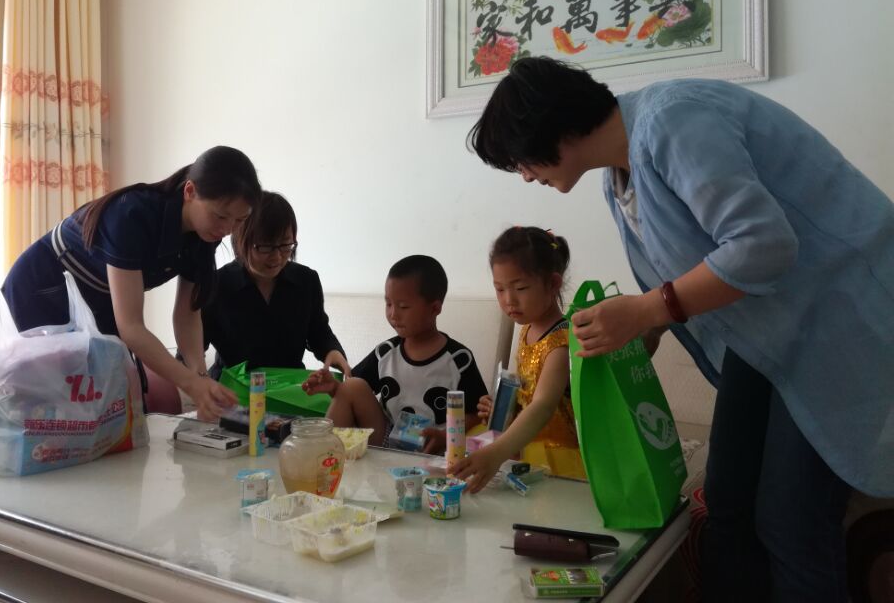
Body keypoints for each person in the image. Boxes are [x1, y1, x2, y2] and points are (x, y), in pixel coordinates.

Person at [467, 56, 894, 603]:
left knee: (791, 521)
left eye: (522, 160)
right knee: (726, 505)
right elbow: (686, 279)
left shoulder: (673, 120)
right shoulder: (618, 179)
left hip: (831, 323)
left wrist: (646, 312)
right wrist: (640, 333)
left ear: (554, 129)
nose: (526, 175)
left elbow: (763, 245)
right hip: (767, 338)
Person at [1, 146, 260, 422]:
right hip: (43, 290)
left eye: (240, 220)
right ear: (190, 191)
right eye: (221, 216)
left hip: (97, 298)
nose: (227, 229)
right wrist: (190, 384)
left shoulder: (204, 233)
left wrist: (200, 376)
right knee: (46, 408)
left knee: (104, 407)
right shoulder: (132, 215)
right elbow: (131, 326)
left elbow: (187, 314)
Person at [302, 255, 488, 454]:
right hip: (386, 442)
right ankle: (324, 459)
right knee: (352, 386)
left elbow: (478, 415)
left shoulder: (458, 359)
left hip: (435, 450)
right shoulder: (386, 353)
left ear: (435, 308)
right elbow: (352, 395)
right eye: (388, 304)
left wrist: (446, 437)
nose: (393, 314)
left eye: (403, 306)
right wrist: (334, 388)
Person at [452, 226, 586, 493]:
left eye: (520, 288)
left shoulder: (561, 342)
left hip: (554, 454)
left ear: (553, 284)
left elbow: (543, 405)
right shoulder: (527, 328)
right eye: (499, 289)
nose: (508, 300)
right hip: (523, 440)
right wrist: (505, 408)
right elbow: (527, 395)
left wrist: (497, 452)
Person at [202, 191, 349, 379]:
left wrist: (332, 351)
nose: (277, 257)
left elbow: (319, 332)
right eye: (265, 247)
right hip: (232, 389)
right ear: (241, 241)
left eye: (286, 245)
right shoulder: (216, 285)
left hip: (288, 389)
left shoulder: (306, 280)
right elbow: (193, 345)